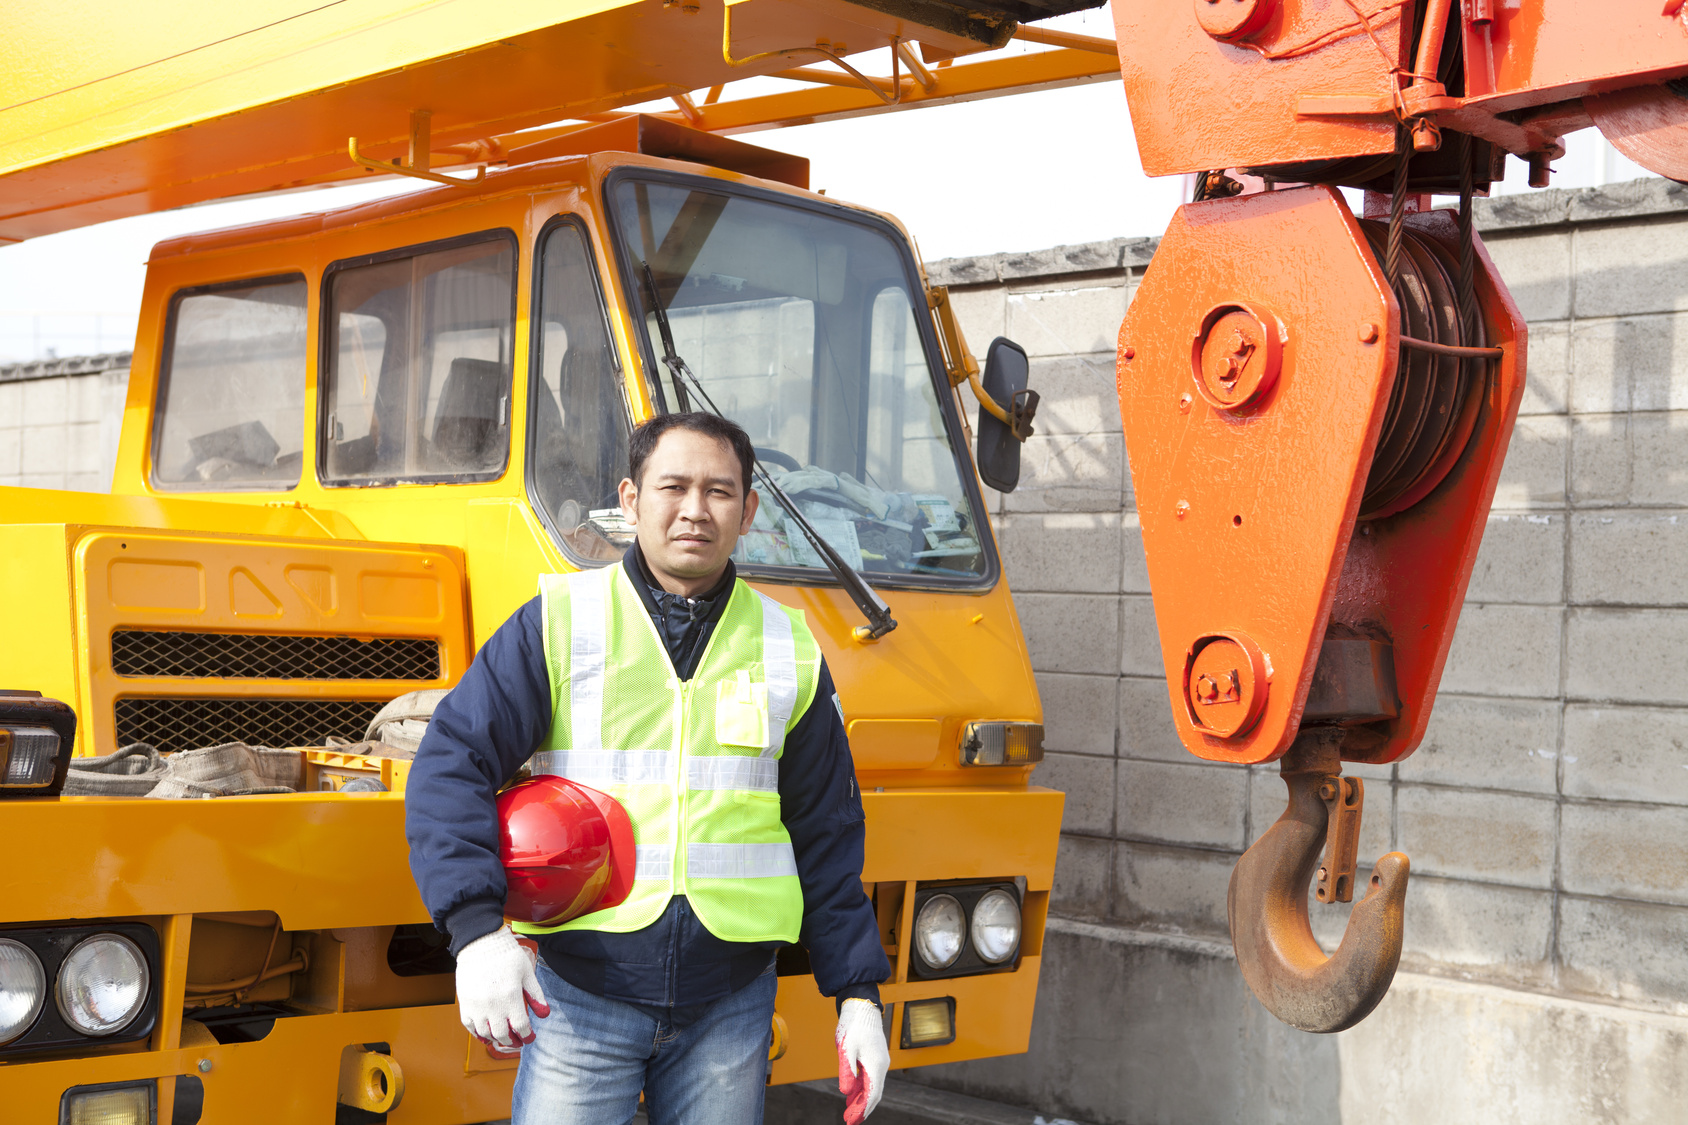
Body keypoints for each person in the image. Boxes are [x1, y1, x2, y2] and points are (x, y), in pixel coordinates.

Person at [405, 411, 892, 1125]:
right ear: (631, 500)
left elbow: (825, 831)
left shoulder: (788, 647)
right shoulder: (562, 620)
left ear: (749, 510)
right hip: (580, 998)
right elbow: (452, 761)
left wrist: (857, 994)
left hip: (730, 1005)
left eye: (720, 491)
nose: (696, 508)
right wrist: (476, 930)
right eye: (674, 486)